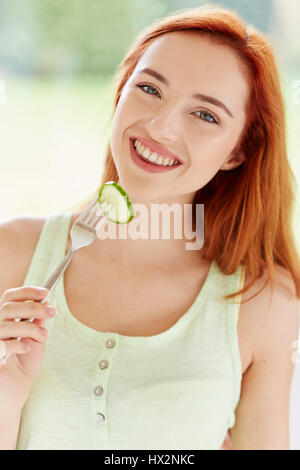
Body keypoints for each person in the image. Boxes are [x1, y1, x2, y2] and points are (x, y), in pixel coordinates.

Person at [0, 4, 300, 451]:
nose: (160, 126)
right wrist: (7, 393)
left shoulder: (262, 302)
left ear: (238, 153)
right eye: (149, 88)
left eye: (206, 115)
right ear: (121, 92)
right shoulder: (14, 254)